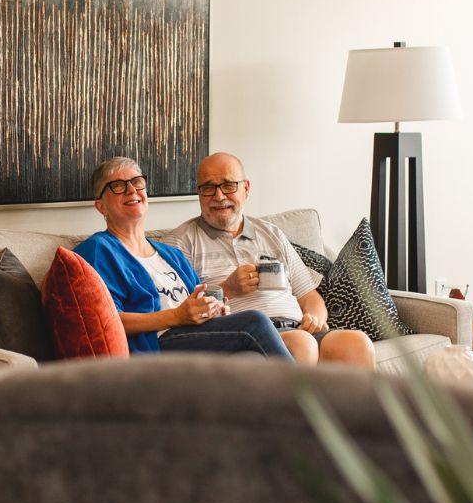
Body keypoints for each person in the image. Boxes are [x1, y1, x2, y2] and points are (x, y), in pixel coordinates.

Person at [163, 152, 377, 368]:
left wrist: (315, 317)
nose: (219, 196)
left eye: (228, 185)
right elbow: (179, 315)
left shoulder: (271, 233)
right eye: (208, 187)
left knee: (356, 343)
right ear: (199, 193)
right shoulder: (180, 243)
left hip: (298, 328)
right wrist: (228, 288)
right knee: (301, 343)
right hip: (246, 339)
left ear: (246, 188)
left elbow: (309, 295)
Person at [73, 156, 293, 359]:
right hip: (158, 342)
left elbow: (197, 301)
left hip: (194, 335)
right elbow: (105, 319)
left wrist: (214, 309)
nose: (132, 190)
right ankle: (303, 400)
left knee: (253, 357)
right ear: (101, 206)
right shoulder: (98, 250)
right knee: (254, 322)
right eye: (118, 186)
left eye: (137, 182)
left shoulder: (171, 254)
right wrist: (176, 317)